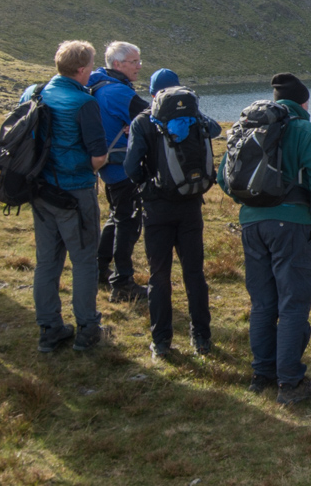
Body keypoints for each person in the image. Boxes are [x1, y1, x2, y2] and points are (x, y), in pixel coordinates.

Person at [222, 73, 311, 406]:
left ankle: (261, 374)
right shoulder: (303, 130)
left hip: (252, 225)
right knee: (293, 302)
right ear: (302, 102)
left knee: (263, 302)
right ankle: (289, 382)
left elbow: (224, 179)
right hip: (292, 225)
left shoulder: (250, 128)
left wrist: (252, 204)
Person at [123, 69, 219, 359]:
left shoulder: (143, 121)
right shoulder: (195, 118)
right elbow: (215, 131)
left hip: (157, 210)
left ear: (153, 93)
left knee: (159, 276)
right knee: (194, 274)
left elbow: (130, 168)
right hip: (190, 206)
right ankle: (201, 337)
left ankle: (162, 342)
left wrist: (147, 185)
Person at [25, 40, 111, 354]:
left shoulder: (35, 93)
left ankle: (49, 329)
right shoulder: (83, 103)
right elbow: (98, 156)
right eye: (90, 65)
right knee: (85, 260)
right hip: (74, 192)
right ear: (81, 69)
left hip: (41, 190)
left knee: (47, 262)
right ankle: (88, 329)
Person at [90, 41, 152, 303]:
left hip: (106, 166)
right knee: (128, 222)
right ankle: (123, 282)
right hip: (124, 168)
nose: (139, 66)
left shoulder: (96, 86)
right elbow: (154, 118)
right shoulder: (118, 93)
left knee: (117, 217)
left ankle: (99, 270)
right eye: (134, 62)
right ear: (117, 64)